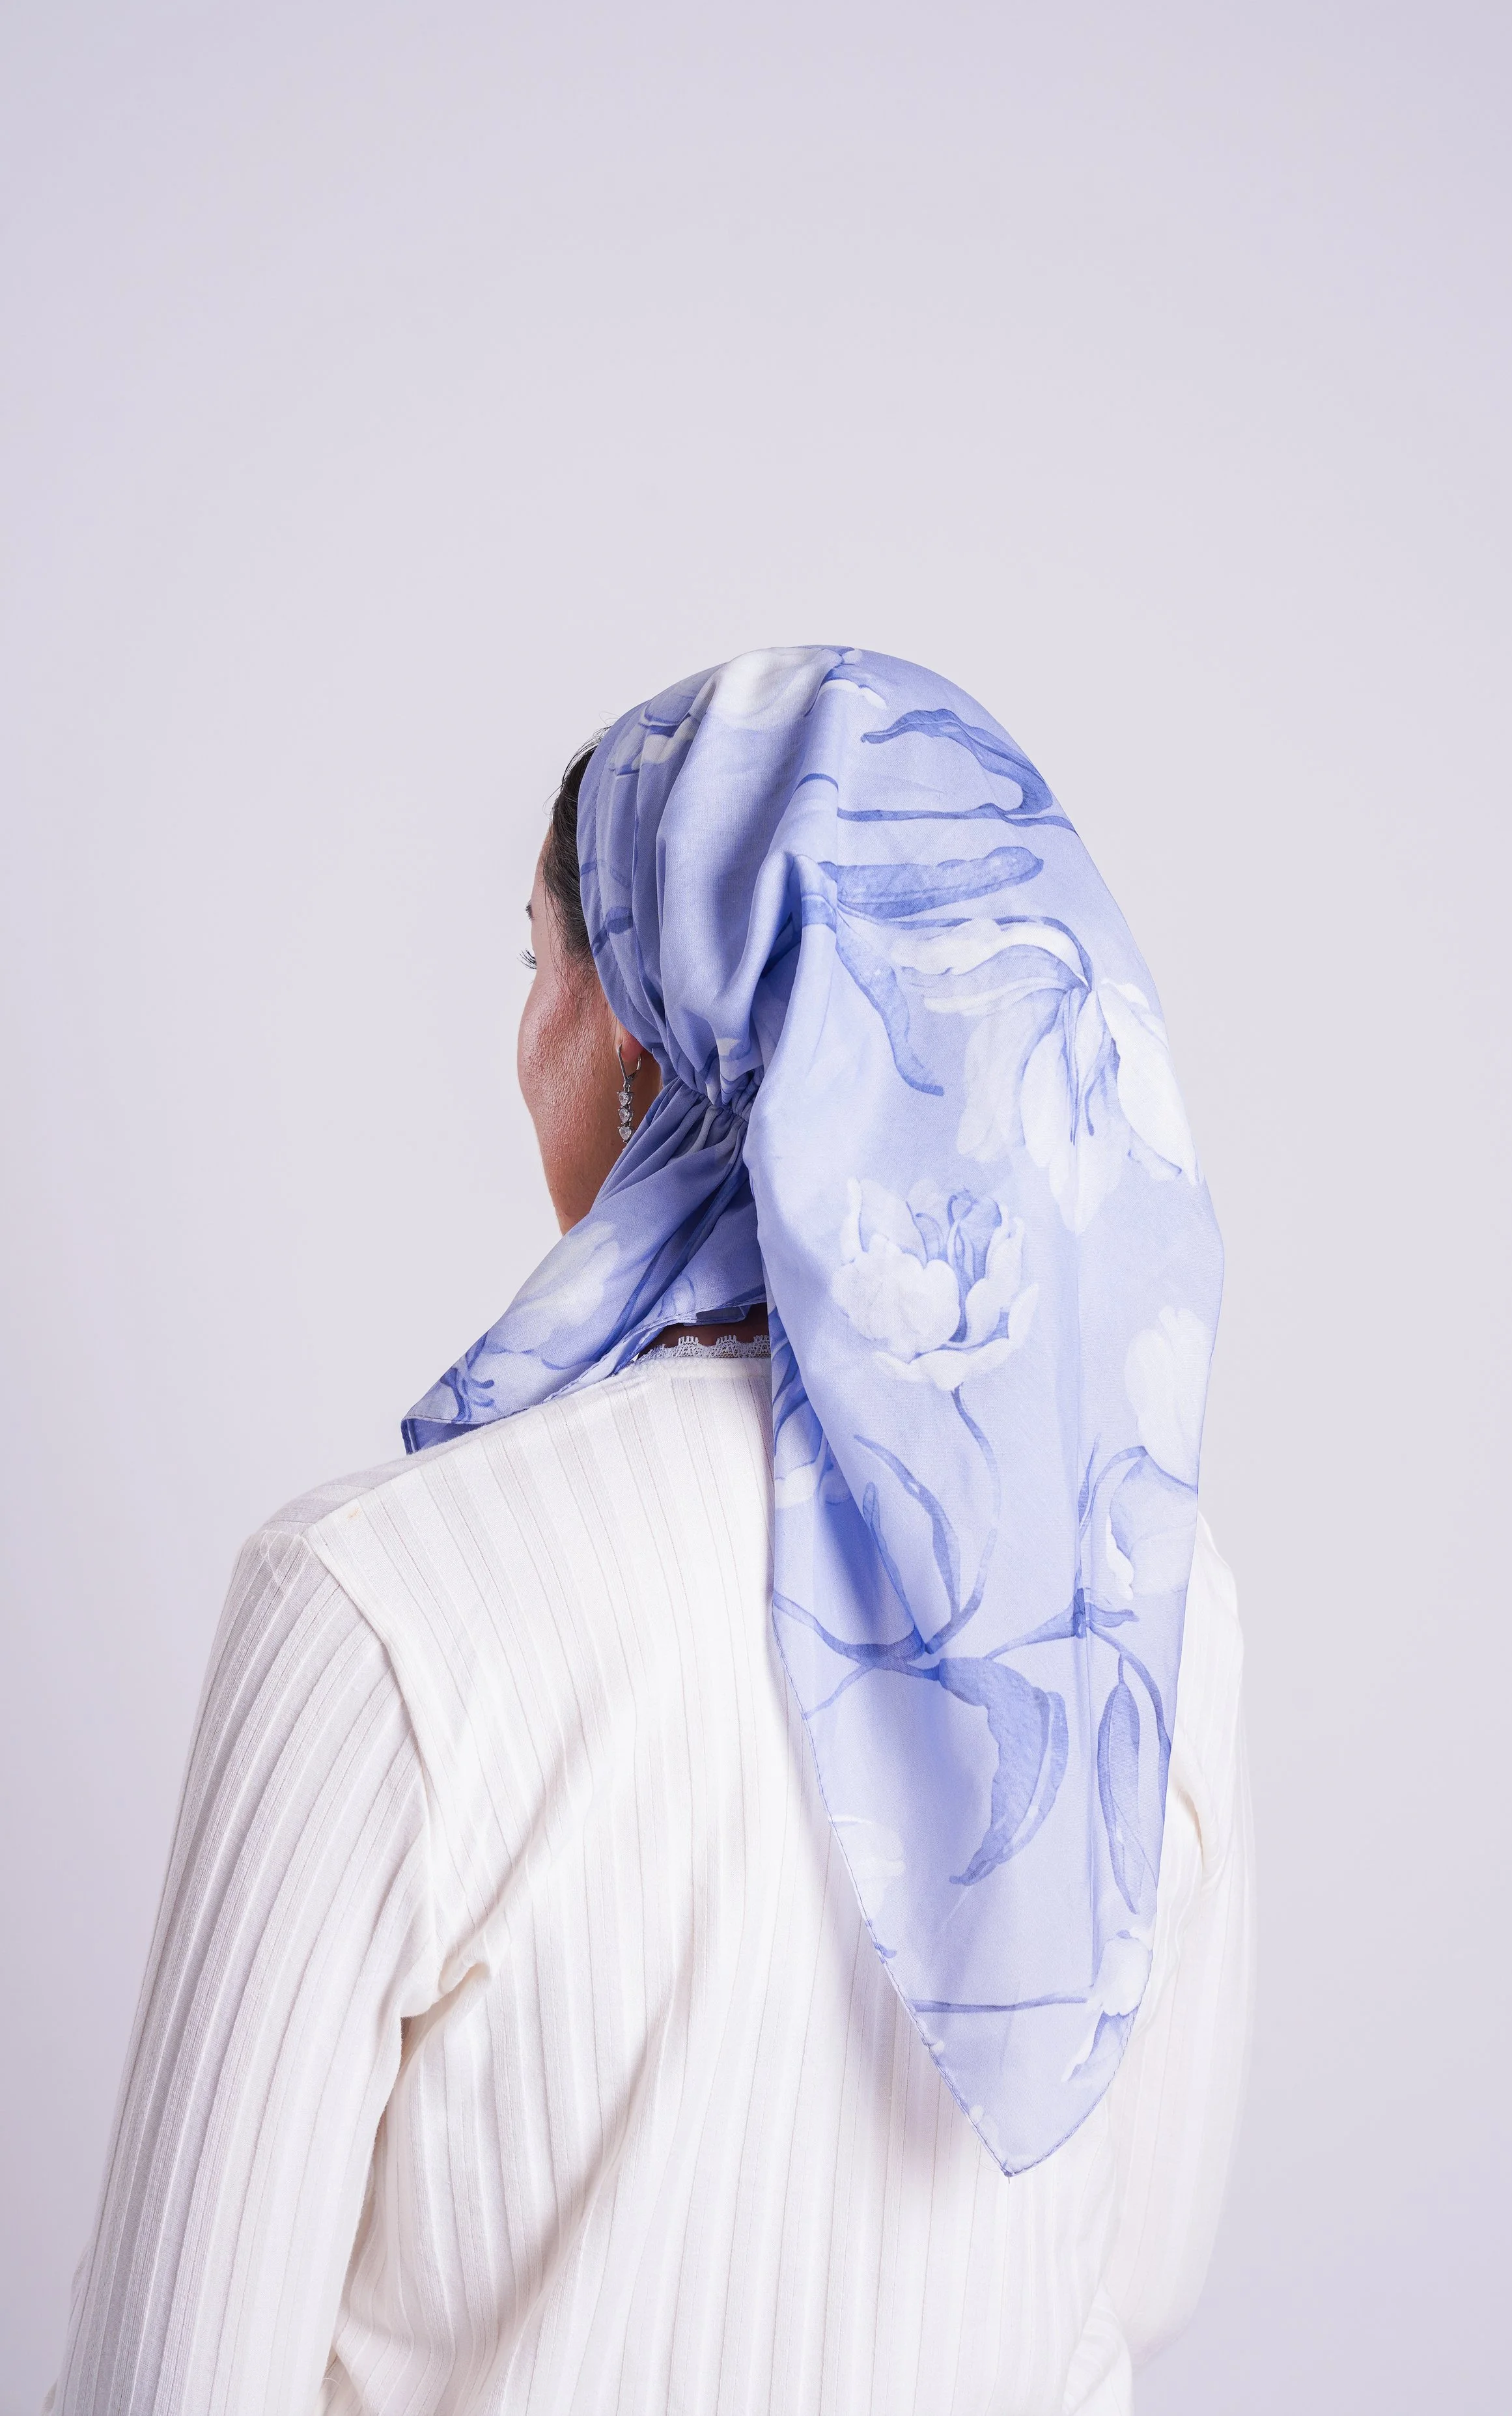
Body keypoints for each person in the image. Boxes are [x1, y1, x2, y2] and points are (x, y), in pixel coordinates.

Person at [51, 648, 1253, 2415]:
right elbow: (1138, 2264)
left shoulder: (374, 1609)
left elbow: (168, 2380)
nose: (515, 1035)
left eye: (532, 961)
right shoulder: (1154, 1588)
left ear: (643, 1032)